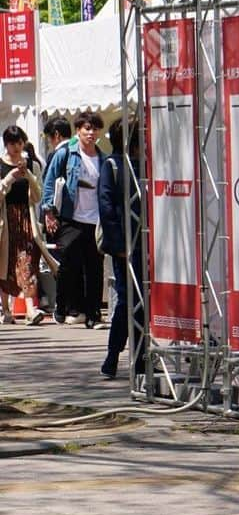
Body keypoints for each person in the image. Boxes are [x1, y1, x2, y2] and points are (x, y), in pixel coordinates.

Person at [42, 111, 107, 329]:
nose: (91, 133)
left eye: (95, 128)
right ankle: (63, 305)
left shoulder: (102, 157)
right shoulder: (67, 154)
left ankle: (93, 314)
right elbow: (50, 181)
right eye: (87, 128)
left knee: (94, 267)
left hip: (95, 219)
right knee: (68, 263)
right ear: (78, 130)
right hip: (71, 216)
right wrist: (48, 211)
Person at [98, 119, 145, 379]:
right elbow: (106, 207)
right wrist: (118, 245)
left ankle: (141, 359)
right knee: (128, 301)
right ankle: (113, 355)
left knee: (144, 303)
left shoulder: (147, 165)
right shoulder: (113, 164)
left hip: (146, 244)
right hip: (125, 246)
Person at [0, 126, 44, 325]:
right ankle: (6, 309)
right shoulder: (1, 164)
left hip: (27, 219)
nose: (16, 147)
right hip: (5, 222)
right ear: (6, 144)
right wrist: (8, 179)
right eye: (12, 143)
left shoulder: (31, 165)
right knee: (5, 264)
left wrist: (28, 177)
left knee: (27, 263)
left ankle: (30, 309)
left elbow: (37, 196)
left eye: (19, 143)